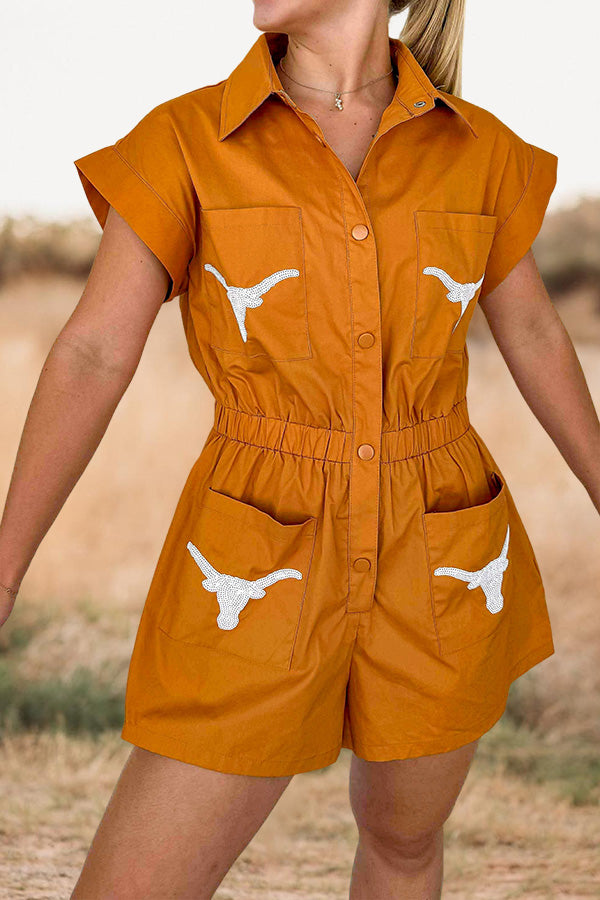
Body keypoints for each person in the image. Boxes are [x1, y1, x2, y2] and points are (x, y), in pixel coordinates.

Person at [1, 0, 599, 896]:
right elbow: (93, 354)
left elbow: (539, 337)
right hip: (254, 548)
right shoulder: (185, 141)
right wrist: (7, 565)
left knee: (404, 843)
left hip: (438, 543)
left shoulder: (479, 151)